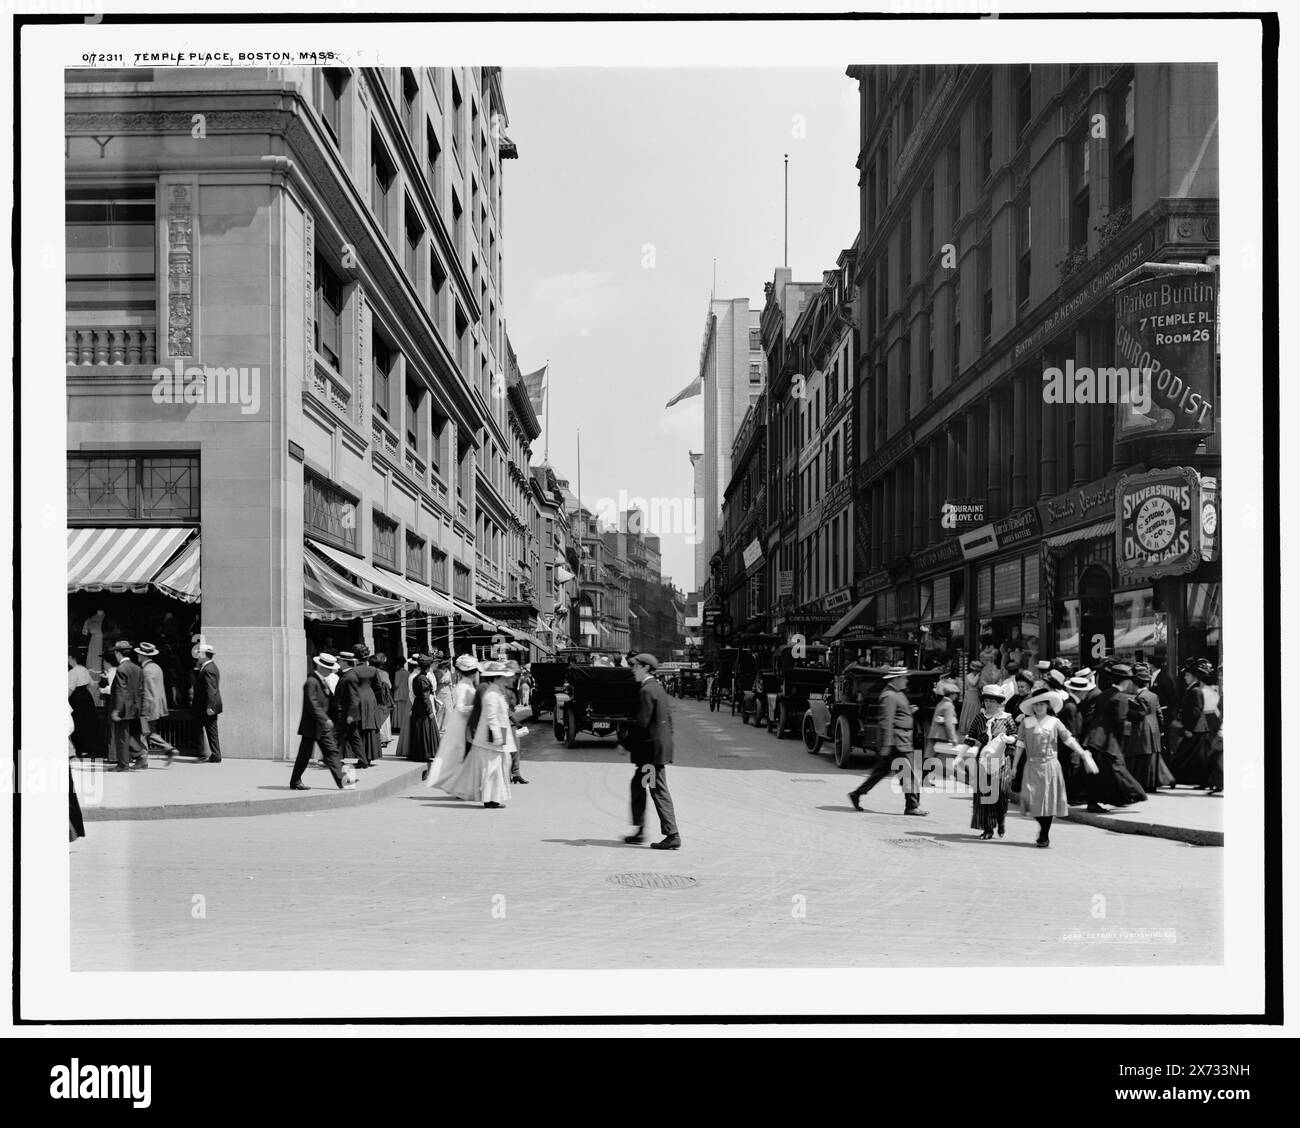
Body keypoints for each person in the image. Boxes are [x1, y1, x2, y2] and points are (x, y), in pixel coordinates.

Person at [1012, 686, 1098, 847]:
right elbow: (1020, 744)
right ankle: (1042, 828)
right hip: (1031, 765)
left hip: (1050, 765)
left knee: (1048, 801)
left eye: (1042, 705)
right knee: (1029, 799)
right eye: (1036, 705)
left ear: (1047, 706)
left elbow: (1068, 739)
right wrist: (1015, 765)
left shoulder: (1054, 722)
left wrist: (1083, 753)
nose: (1039, 708)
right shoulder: (1026, 722)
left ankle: (1044, 834)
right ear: (1032, 707)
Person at [848, 666, 927, 816]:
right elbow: (887, 721)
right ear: (896, 679)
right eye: (904, 677)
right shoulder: (890, 695)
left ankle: (857, 794)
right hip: (897, 742)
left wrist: (909, 711)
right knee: (908, 774)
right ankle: (912, 806)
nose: (906, 680)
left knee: (879, 772)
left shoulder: (896, 693)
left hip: (899, 741)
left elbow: (896, 714)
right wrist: (887, 744)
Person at [437, 661, 514, 807]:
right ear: (497, 677)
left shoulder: (495, 691)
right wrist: (498, 736)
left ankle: (492, 798)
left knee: (495, 769)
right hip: (489, 738)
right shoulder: (491, 693)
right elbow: (491, 717)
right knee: (491, 770)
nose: (506, 679)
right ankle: (490, 799)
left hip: (492, 736)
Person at [623, 652, 680, 849]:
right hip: (653, 751)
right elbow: (669, 722)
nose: (632, 669)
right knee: (640, 786)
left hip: (650, 753)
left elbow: (642, 724)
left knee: (657, 790)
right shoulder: (657, 688)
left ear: (646, 667)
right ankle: (640, 830)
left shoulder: (647, 691)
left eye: (635, 666)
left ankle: (672, 834)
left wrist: (625, 743)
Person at [1081, 662, 1148, 811]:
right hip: (1107, 740)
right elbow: (1120, 722)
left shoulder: (1103, 693)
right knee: (1117, 769)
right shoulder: (1121, 698)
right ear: (1125, 681)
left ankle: (1097, 802)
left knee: (1096, 773)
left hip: (1094, 738)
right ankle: (1134, 794)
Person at [959, 683, 1016, 838]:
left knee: (1001, 793)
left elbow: (1015, 737)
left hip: (1002, 760)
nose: (989, 704)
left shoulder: (1007, 719)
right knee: (985, 793)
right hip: (984, 759)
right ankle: (988, 828)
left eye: (993, 701)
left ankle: (1001, 819)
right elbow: (970, 737)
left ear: (999, 703)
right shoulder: (979, 718)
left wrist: (1009, 745)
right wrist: (960, 755)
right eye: (986, 701)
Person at [289, 654, 351, 791]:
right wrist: (325, 719)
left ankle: (344, 781)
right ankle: (295, 781)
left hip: (321, 726)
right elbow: (312, 704)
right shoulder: (311, 681)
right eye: (329, 668)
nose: (331, 671)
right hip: (313, 726)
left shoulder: (321, 680)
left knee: (332, 752)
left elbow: (328, 702)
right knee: (304, 756)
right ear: (321, 666)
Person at [425, 654, 480, 790]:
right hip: (463, 727)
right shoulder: (463, 687)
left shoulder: (467, 685)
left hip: (467, 725)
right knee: (464, 757)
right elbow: (460, 708)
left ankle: (462, 785)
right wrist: (478, 707)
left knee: (465, 758)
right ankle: (460, 786)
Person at [1125, 663, 1175, 792]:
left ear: (1136, 683)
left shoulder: (1140, 697)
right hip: (1154, 728)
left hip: (1142, 729)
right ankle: (1154, 782)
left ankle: (1144, 783)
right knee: (1152, 757)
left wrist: (1128, 712)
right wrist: (1161, 730)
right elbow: (1159, 715)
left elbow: (1140, 713)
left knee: (1141, 757)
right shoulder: (1153, 695)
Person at [1169, 657, 1216, 788]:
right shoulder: (1193, 689)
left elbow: (1195, 711)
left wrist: (1188, 728)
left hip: (1195, 728)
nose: (1185, 677)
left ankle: (1174, 778)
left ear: (1194, 676)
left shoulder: (1195, 690)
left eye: (1187, 675)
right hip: (1198, 728)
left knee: (1185, 755)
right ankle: (1201, 781)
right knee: (1197, 757)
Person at [108, 640, 147, 771]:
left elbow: (121, 691)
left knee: (122, 737)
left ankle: (123, 765)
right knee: (129, 735)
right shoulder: (137, 668)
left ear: (118, 653)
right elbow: (141, 690)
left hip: (124, 708)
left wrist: (117, 710)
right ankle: (139, 755)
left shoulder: (121, 669)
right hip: (134, 708)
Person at [135, 643, 177, 764]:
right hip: (157, 706)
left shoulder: (146, 670)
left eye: (139, 654)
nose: (137, 655)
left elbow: (148, 693)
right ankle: (168, 749)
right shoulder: (156, 667)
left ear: (143, 655)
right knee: (149, 732)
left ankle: (142, 761)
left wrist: (144, 711)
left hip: (149, 707)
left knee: (144, 733)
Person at [68, 652, 105, 759]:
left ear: (71, 657)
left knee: (78, 723)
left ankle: (80, 749)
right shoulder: (84, 669)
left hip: (76, 698)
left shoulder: (73, 671)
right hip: (86, 696)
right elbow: (91, 684)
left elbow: (70, 689)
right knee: (88, 723)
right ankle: (90, 748)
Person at [405, 655, 439, 770]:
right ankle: (423, 754)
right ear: (428, 667)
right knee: (425, 729)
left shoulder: (417, 677)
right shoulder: (423, 679)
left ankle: (419, 754)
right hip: (423, 707)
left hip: (417, 706)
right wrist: (430, 710)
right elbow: (425, 697)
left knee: (419, 730)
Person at [191, 642, 223, 763]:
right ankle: (215, 755)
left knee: (199, 731)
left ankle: (202, 755)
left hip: (204, 707)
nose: (198, 656)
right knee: (212, 731)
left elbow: (211, 689)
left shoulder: (208, 669)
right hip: (207, 706)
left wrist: (209, 706)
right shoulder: (210, 667)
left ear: (204, 655)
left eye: (199, 654)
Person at [925, 678, 961, 783]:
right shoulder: (949, 705)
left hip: (934, 734)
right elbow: (948, 723)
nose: (956, 696)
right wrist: (953, 738)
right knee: (944, 758)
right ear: (952, 694)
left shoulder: (941, 703)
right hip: (942, 735)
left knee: (929, 757)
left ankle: (926, 778)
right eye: (955, 694)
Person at [391, 655, 415, 745]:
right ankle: (402, 725)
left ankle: (396, 726)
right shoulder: (408, 673)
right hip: (405, 693)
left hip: (398, 693)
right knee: (403, 710)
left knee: (397, 711)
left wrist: (392, 688)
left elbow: (396, 684)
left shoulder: (397, 673)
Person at [373, 652, 394, 754]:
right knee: (384, 719)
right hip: (383, 699)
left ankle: (380, 738)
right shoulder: (384, 673)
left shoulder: (372, 672)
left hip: (375, 698)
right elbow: (389, 686)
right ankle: (384, 738)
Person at [958, 658, 985, 734]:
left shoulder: (978, 676)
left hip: (976, 694)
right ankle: (968, 728)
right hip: (970, 694)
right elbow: (973, 683)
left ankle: (974, 728)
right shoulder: (969, 676)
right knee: (969, 710)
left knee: (975, 710)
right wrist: (978, 675)